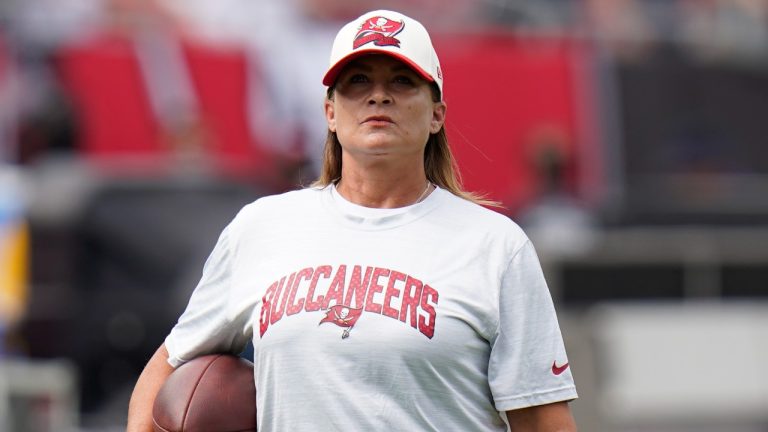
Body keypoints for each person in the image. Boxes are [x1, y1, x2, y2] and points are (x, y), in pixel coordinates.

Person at [127, 9, 578, 432]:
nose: (378, 95)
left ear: (437, 114)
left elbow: (543, 419)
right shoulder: (261, 228)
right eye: (357, 81)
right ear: (330, 113)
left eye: (402, 82)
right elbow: (169, 364)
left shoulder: (496, 246)